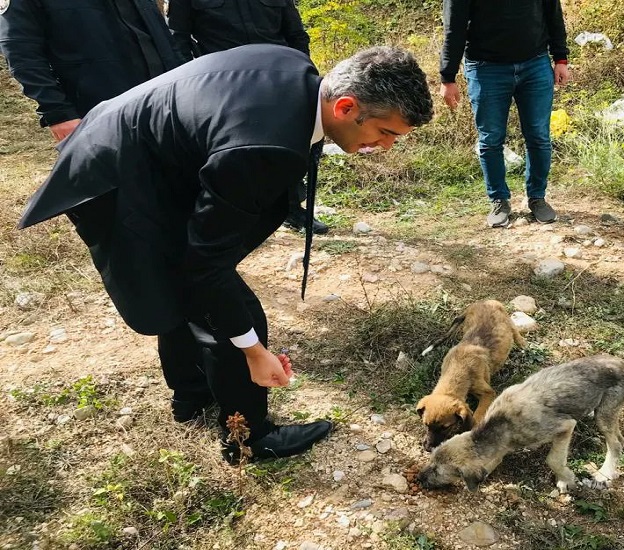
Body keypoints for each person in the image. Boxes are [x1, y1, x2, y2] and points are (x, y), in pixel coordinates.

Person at [17, 45, 434, 463]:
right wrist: (253, 351)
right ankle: (250, 440)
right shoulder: (265, 145)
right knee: (235, 313)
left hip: (136, 154)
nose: (386, 147)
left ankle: (192, 397)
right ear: (345, 106)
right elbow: (205, 266)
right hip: (116, 181)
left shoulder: (294, 71)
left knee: (183, 289)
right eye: (386, 133)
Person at [167, 0, 327, 234]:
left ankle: (291, 208)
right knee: (229, 153)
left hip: (279, 77)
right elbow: (177, 38)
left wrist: (303, 74)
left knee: (293, 143)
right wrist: (194, 80)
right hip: (224, 82)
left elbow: (295, 34)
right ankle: (227, 213)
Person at [439, 0, 570, 228]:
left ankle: (537, 198)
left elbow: (552, 13)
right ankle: (499, 200)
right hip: (485, 68)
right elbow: (454, 28)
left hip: (535, 64)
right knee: (490, 139)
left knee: (539, 136)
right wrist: (447, 77)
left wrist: (561, 59)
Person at [0, 0, 186, 142]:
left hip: (165, 104)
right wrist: (58, 113)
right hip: (99, 116)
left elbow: (163, 39)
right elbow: (22, 52)